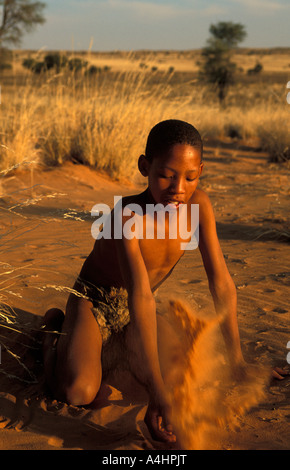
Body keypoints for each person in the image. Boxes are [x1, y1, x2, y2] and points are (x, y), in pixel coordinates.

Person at [42, 119, 288, 445]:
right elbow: (140, 295)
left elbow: (221, 282)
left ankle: (107, 350)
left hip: (136, 308)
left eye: (190, 177)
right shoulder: (127, 215)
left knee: (185, 376)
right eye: (166, 175)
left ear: (201, 170)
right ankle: (51, 333)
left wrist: (237, 361)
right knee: (78, 391)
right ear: (145, 166)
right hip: (94, 300)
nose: (178, 188)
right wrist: (156, 394)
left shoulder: (199, 206)